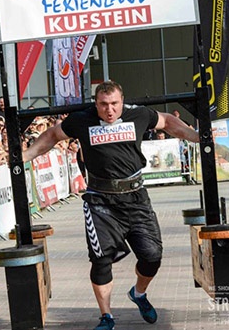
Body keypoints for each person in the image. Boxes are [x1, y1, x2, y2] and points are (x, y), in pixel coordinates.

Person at [23, 81, 199, 330]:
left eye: (114, 104)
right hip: (100, 201)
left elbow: (168, 121)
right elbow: (53, 134)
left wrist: (198, 138)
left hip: (136, 198)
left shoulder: (138, 115)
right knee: (101, 260)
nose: (109, 110)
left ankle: (138, 293)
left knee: (152, 257)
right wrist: (24, 157)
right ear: (96, 103)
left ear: (122, 100)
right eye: (104, 104)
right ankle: (107, 317)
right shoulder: (82, 120)